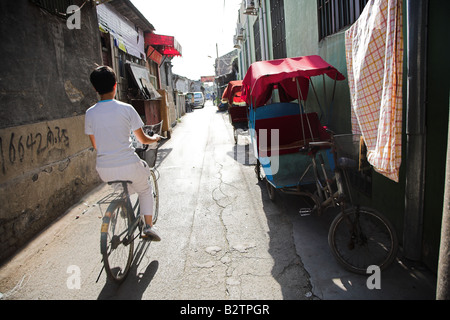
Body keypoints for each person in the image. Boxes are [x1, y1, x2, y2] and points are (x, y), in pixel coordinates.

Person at [85, 66, 161, 241]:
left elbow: (96, 145)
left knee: (122, 187)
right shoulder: (126, 109)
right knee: (144, 188)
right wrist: (154, 138)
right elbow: (142, 139)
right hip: (128, 165)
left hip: (104, 169)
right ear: (115, 85)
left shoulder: (90, 113)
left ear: (95, 89)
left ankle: (124, 205)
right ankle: (148, 227)